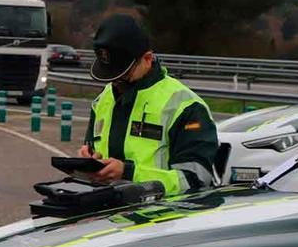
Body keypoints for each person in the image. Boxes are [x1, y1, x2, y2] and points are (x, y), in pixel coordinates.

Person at [79, 15, 218, 196]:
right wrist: (87, 162)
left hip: (162, 219)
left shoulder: (187, 107)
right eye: (111, 76)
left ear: (147, 59)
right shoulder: (102, 101)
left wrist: (129, 173)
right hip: (106, 214)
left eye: (124, 74)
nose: (116, 83)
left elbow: (196, 180)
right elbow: (96, 154)